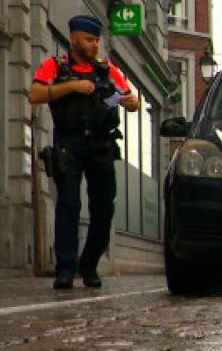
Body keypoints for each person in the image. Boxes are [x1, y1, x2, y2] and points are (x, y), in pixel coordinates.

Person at [28, 15, 139, 289]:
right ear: (74, 38)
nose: (94, 45)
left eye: (97, 40)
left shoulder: (106, 69)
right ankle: (65, 269)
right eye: (89, 40)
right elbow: (35, 95)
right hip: (69, 143)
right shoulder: (54, 65)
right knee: (69, 204)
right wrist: (72, 86)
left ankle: (88, 265)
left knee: (103, 209)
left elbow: (133, 101)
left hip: (101, 145)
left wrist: (129, 101)